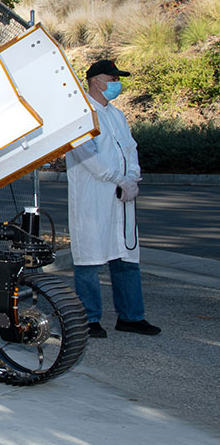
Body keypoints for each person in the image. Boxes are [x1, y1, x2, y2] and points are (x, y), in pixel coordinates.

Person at [66, 59, 160, 338]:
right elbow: (87, 155)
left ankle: (131, 316)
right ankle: (89, 318)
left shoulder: (116, 115)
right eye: (112, 78)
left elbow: (130, 148)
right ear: (96, 80)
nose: (117, 83)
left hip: (122, 195)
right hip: (94, 196)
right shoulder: (81, 113)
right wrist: (117, 179)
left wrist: (132, 176)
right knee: (90, 257)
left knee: (126, 255)